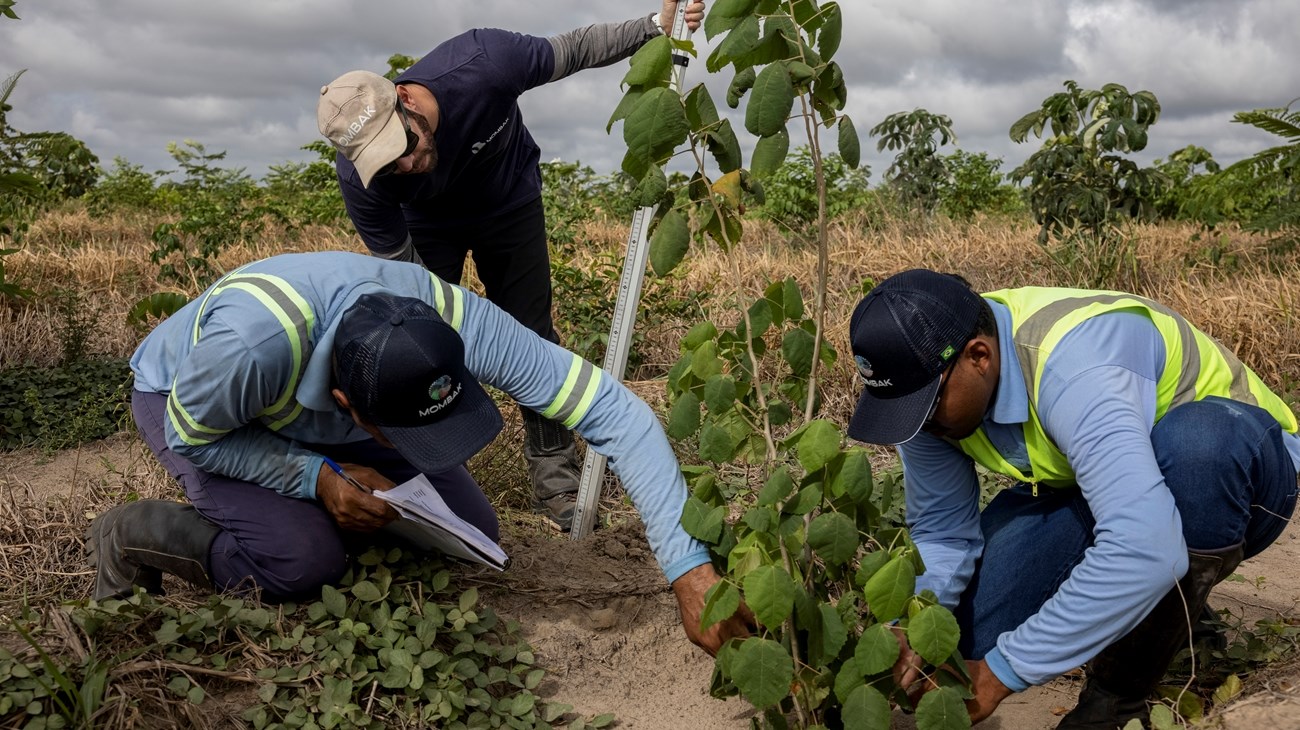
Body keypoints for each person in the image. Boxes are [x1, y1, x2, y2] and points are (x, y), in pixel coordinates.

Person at [85, 251, 750, 656]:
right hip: (197, 409)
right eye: (406, 435)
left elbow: (616, 412)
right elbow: (192, 436)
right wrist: (315, 477)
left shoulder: (450, 320)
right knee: (302, 562)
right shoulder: (251, 348)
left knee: (472, 532)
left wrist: (689, 571)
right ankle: (132, 532)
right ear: (345, 406)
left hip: (312, 401)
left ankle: (325, 511)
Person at [844, 269, 1299, 727]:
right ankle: (1167, 615)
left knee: (1199, 448)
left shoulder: (1075, 363)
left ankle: (1116, 699)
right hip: (1096, 488)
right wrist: (917, 619)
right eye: (901, 410)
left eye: (926, 406)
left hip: (1242, 477)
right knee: (963, 639)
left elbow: (1145, 548)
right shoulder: (923, 389)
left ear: (979, 356)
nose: (918, 425)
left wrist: (1001, 673)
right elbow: (944, 532)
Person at [315, 1, 706, 530]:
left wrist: (653, 28)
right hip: (426, 226)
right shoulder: (362, 184)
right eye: (386, 164)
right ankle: (429, 471)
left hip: (509, 204)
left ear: (404, 98)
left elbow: (576, 49)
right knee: (412, 341)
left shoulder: (483, 63)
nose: (404, 164)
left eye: (402, 144)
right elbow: (407, 283)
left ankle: (554, 475)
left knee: (532, 332)